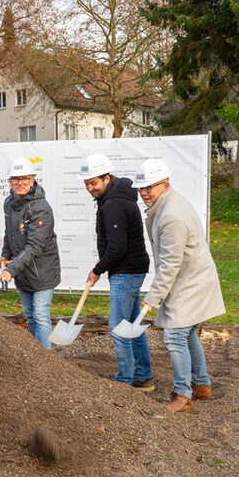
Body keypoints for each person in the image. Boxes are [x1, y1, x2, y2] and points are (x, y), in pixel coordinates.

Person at [133, 158, 226, 412]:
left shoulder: (171, 215)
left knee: (175, 336)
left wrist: (152, 298)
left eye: (149, 187)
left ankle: (183, 396)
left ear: (165, 184)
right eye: (141, 188)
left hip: (190, 284)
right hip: (191, 279)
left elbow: (169, 265)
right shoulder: (167, 205)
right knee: (187, 334)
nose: (144, 193)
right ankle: (202, 385)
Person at [80, 153, 154, 391]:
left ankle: (124, 381)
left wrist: (97, 269)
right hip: (130, 270)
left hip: (125, 271)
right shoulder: (114, 199)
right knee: (132, 326)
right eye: (87, 183)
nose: (90, 187)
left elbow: (118, 247)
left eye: (94, 183)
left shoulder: (113, 203)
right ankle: (143, 376)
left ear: (107, 178)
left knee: (118, 327)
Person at [0, 158, 61, 348]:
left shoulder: (41, 209)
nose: (20, 183)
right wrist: (5, 255)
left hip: (43, 271)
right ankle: (35, 357)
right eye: (15, 179)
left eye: (24, 178)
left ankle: (47, 361)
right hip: (23, 270)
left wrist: (11, 270)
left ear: (33, 180)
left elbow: (34, 246)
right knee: (30, 316)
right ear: (9, 181)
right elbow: (10, 233)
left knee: (40, 315)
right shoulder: (9, 203)